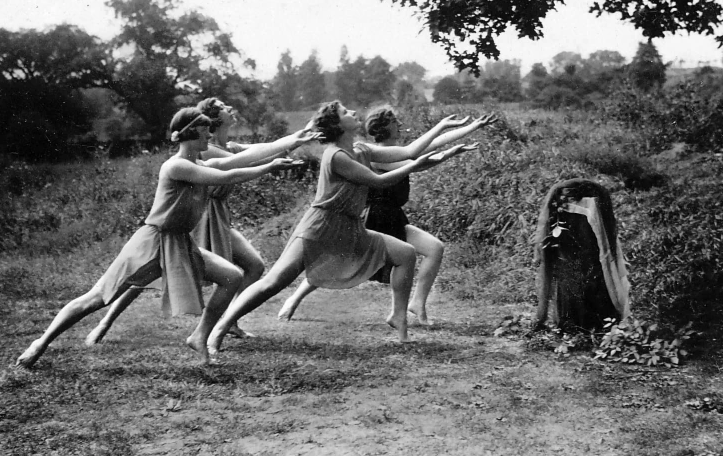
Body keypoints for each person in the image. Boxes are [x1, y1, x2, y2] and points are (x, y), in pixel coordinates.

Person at [16, 108, 305, 369]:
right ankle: (40, 343)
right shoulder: (177, 166)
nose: (209, 138)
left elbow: (242, 159)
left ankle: (199, 337)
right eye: (205, 133)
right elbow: (229, 175)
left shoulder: (199, 161)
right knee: (96, 299)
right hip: (153, 242)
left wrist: (291, 141)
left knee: (230, 276)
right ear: (191, 134)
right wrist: (269, 167)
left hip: (179, 242)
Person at [206, 100, 475, 352]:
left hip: (350, 227)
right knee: (273, 282)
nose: (354, 114)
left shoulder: (361, 150)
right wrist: (419, 163)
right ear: (337, 126)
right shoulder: (336, 156)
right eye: (346, 113)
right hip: (321, 226)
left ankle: (399, 319)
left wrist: (443, 130)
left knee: (404, 254)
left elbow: (409, 152)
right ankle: (219, 328)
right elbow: (378, 181)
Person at [84, 98, 319, 346]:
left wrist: (299, 136)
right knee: (149, 273)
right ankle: (105, 322)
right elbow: (247, 162)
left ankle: (227, 323)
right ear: (213, 119)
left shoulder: (228, 145)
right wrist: (279, 154)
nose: (230, 108)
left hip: (218, 216)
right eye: (224, 107)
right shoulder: (206, 151)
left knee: (253, 265)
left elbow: (265, 148)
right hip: (197, 217)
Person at [277, 106, 497, 325]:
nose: (399, 124)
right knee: (337, 260)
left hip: (394, 217)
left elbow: (421, 149)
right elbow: (415, 161)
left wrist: (470, 127)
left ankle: (416, 304)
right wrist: (446, 150)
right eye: (394, 121)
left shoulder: (390, 150)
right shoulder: (372, 154)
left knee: (434, 248)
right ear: (384, 127)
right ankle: (294, 299)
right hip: (373, 217)